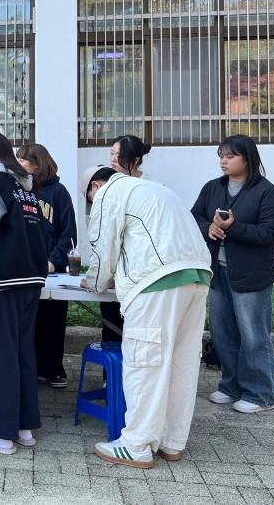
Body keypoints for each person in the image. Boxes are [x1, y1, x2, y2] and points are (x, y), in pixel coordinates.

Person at [80, 165, 212, 469]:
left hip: (156, 282)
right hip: (197, 276)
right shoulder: (155, 189)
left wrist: (95, 282)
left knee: (145, 362)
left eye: (89, 198)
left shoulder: (109, 193)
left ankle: (136, 445)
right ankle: (171, 442)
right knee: (181, 362)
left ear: (95, 186)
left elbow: (102, 246)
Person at [191, 134, 274, 414]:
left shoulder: (266, 192)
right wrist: (209, 228)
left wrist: (233, 228)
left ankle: (260, 393)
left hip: (250, 275)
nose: (224, 161)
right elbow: (194, 216)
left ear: (248, 159)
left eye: (230, 156)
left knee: (253, 334)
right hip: (217, 272)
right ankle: (231, 385)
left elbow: (269, 233)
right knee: (223, 333)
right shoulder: (213, 188)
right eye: (221, 156)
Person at [0, 132, 48, 455]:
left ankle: (1, 435)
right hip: (31, 276)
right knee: (21, 352)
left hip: (4, 278)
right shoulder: (25, 185)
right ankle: (24, 428)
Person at [16, 143, 77, 389]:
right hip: (26, 268)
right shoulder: (20, 191)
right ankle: (30, 368)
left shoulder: (58, 192)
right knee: (28, 322)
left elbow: (68, 233)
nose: (19, 164)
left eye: (23, 160)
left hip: (53, 270)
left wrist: (53, 261)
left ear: (37, 164)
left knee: (53, 321)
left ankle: (53, 369)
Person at [101, 134, 151, 345]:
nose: (113, 159)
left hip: (139, 272)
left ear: (135, 159)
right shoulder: (109, 185)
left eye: (119, 155)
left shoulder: (148, 187)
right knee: (110, 325)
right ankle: (111, 368)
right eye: (112, 153)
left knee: (136, 332)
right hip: (114, 269)